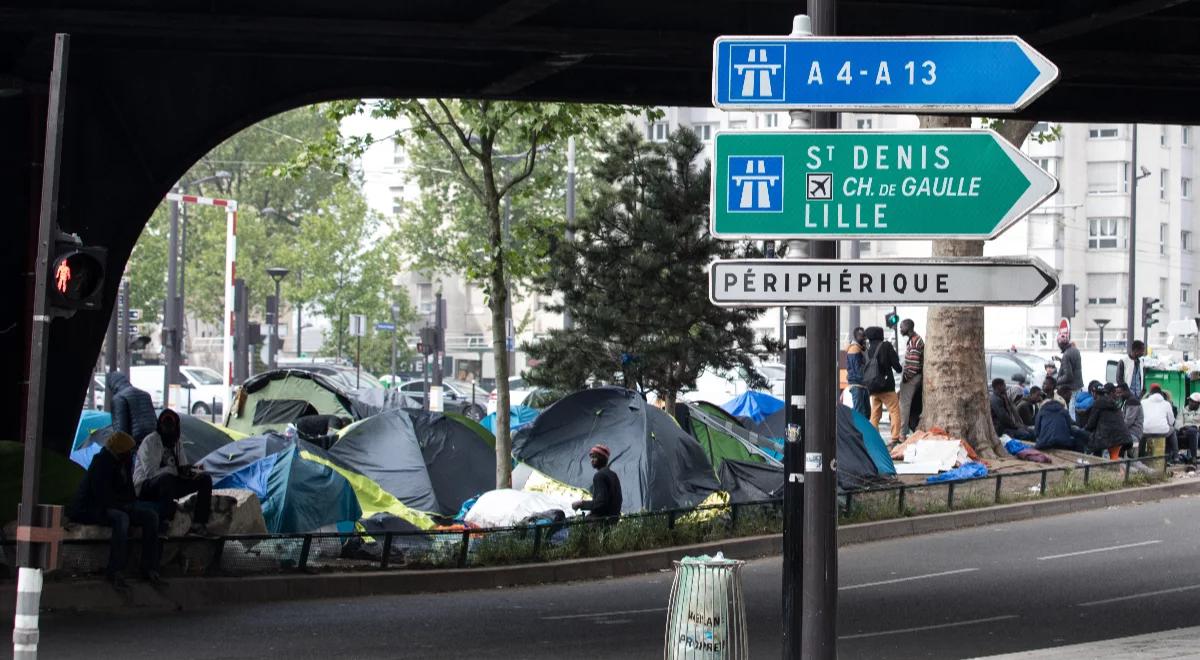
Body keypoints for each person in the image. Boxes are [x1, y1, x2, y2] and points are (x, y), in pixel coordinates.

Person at [66, 431, 164, 589]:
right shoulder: (101, 462)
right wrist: (124, 506)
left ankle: (149, 567)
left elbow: (129, 492)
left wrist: (132, 504)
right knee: (121, 519)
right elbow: (101, 496)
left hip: (117, 505)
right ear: (120, 450)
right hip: (93, 508)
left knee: (151, 516)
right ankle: (115, 570)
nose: (131, 454)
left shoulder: (123, 463)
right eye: (129, 451)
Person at [135, 409, 214, 536]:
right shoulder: (150, 441)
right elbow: (151, 473)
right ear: (160, 425)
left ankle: (199, 523)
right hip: (146, 486)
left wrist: (190, 472)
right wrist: (175, 470)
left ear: (175, 426)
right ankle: (165, 521)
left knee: (204, 479)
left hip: (169, 483)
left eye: (170, 425)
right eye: (165, 424)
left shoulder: (177, 443)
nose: (168, 428)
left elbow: (181, 467)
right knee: (166, 479)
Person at [863, 326, 903, 445]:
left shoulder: (868, 350)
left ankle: (874, 439)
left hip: (873, 388)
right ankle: (895, 438)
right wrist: (899, 369)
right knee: (894, 410)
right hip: (887, 386)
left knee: (875, 413)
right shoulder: (886, 346)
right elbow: (896, 365)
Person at [571, 444, 622, 518]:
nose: (592, 460)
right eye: (591, 457)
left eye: (595, 457)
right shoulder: (613, 475)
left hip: (601, 523)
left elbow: (601, 503)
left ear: (602, 458)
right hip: (613, 520)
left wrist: (581, 503)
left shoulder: (599, 476)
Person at [106, 371, 157, 443]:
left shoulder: (118, 398)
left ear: (112, 385)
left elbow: (120, 432)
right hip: (151, 441)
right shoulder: (145, 394)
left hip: (134, 444)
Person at [1034, 388, 1087, 452]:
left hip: (1045, 443)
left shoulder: (1041, 412)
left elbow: (1036, 431)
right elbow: (1069, 428)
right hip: (1063, 443)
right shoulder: (1064, 411)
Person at [1086, 384, 1130, 459]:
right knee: (1114, 460)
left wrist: (1083, 429)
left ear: (1094, 393)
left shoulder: (1098, 403)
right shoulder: (1113, 403)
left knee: (1105, 463)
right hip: (1122, 436)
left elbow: (1091, 424)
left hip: (1107, 439)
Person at [898, 319, 924, 436]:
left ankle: (902, 434)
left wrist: (905, 378)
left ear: (907, 328)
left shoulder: (914, 342)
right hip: (915, 376)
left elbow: (913, 366)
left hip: (912, 377)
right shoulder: (914, 339)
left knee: (904, 405)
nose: (900, 329)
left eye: (901, 327)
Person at [1140, 386, 1176, 459]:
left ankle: (1140, 456)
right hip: (1162, 432)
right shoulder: (1167, 404)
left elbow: (1140, 418)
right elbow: (1172, 422)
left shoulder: (1143, 402)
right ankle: (1176, 456)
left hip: (1146, 432)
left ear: (1150, 393)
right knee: (1173, 430)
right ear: (1161, 394)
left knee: (1142, 432)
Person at [844, 327, 870, 419]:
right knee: (860, 413)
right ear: (855, 336)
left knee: (866, 413)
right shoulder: (854, 349)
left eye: (864, 335)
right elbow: (857, 370)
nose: (864, 338)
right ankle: (859, 432)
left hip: (861, 385)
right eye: (861, 336)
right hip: (857, 385)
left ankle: (863, 432)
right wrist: (866, 380)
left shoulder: (860, 348)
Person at [1115, 383, 1143, 458]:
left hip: (1133, 433)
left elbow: (1128, 422)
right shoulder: (1126, 401)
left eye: (1120, 392)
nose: (1118, 395)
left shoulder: (1133, 402)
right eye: (1117, 393)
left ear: (1126, 391)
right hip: (1129, 432)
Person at [1057, 336, 1084, 403]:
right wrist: (1062, 361)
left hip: (1070, 389)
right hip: (1078, 386)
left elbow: (1068, 376)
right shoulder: (1076, 350)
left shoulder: (1066, 355)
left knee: (1071, 410)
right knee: (1075, 409)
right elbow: (1074, 365)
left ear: (1060, 344)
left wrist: (1058, 380)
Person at [1177, 393, 1200, 464]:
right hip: (1184, 430)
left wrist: (1197, 427)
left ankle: (1193, 457)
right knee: (1172, 432)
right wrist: (1181, 428)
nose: (1190, 402)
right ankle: (1173, 457)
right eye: (1190, 400)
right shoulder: (1183, 410)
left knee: (1192, 431)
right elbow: (1178, 421)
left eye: (1193, 401)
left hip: (1196, 431)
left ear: (1198, 403)